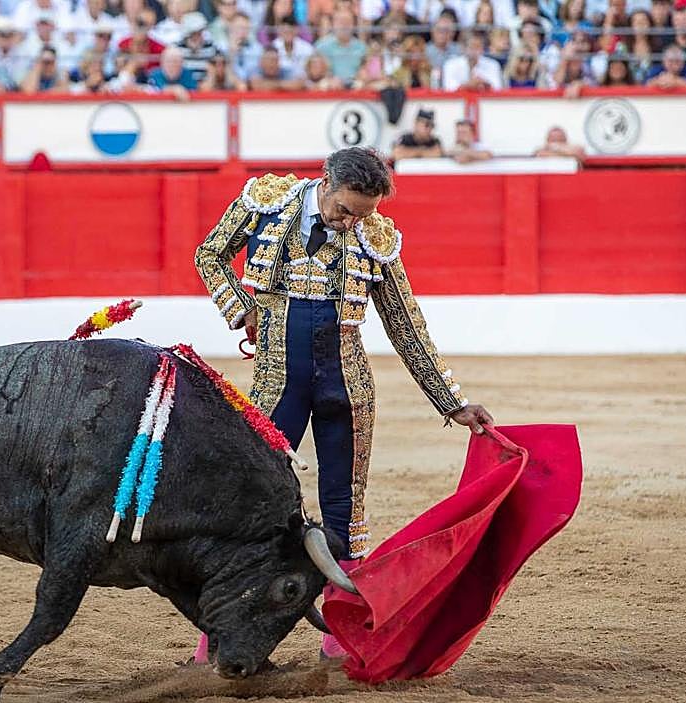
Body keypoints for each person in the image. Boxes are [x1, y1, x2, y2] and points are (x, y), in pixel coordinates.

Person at [194, 148, 493, 656]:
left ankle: (343, 642)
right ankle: (219, 638)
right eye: (345, 210)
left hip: (346, 386)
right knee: (250, 507)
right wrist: (240, 308)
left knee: (345, 513)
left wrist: (452, 402)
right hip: (276, 382)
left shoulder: (375, 237)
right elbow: (209, 254)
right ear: (326, 181)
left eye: (363, 214)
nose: (350, 222)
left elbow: (405, 325)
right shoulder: (268, 201)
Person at [314, 8, 365, 85]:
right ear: (333, 24)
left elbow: (365, 71)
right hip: (329, 90)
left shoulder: (361, 47)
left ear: (354, 25)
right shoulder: (321, 46)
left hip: (355, 88)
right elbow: (314, 73)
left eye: (348, 22)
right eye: (341, 22)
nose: (344, 25)